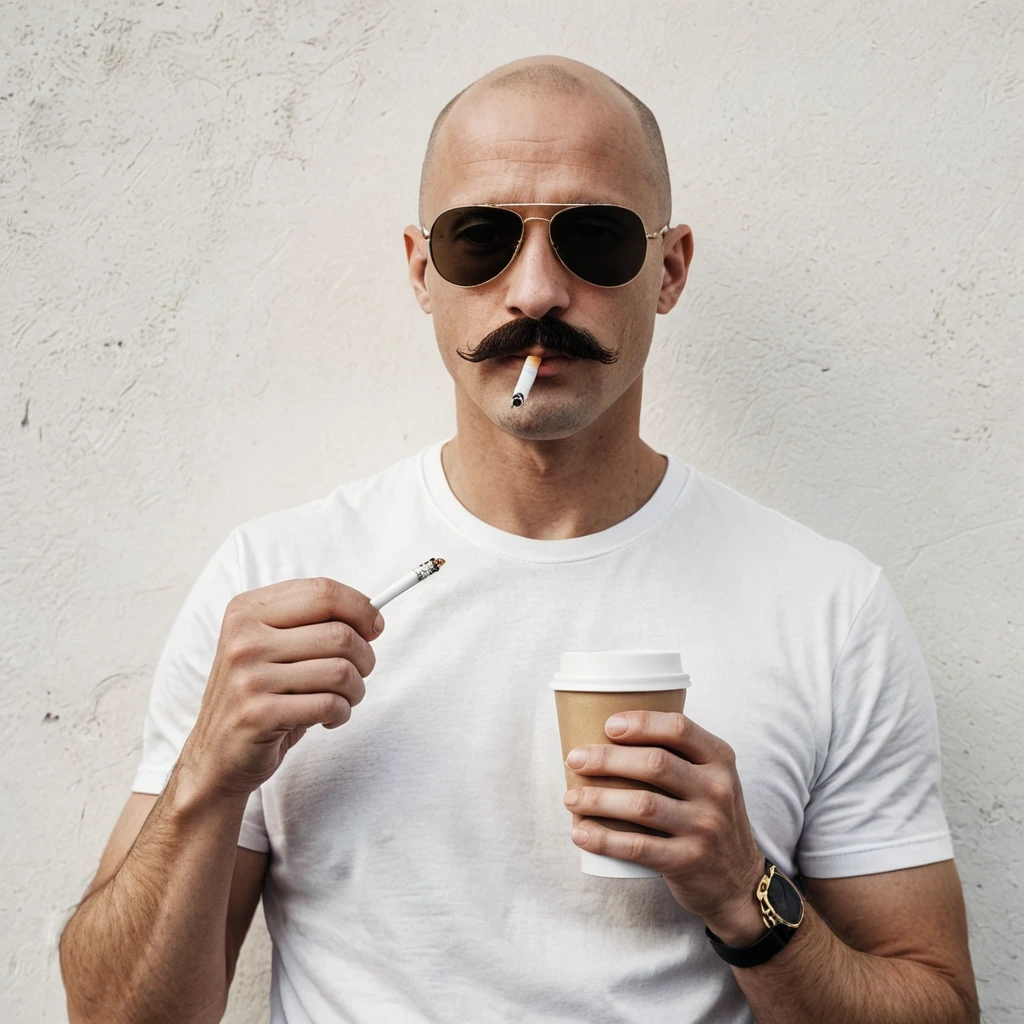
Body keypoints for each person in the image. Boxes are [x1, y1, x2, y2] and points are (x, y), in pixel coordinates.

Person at [60, 55, 980, 1024]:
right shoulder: (274, 579)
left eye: (594, 237)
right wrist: (208, 773)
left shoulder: (824, 603)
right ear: (422, 270)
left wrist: (741, 891)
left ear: (666, 270)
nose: (536, 290)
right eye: (480, 239)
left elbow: (936, 1003)